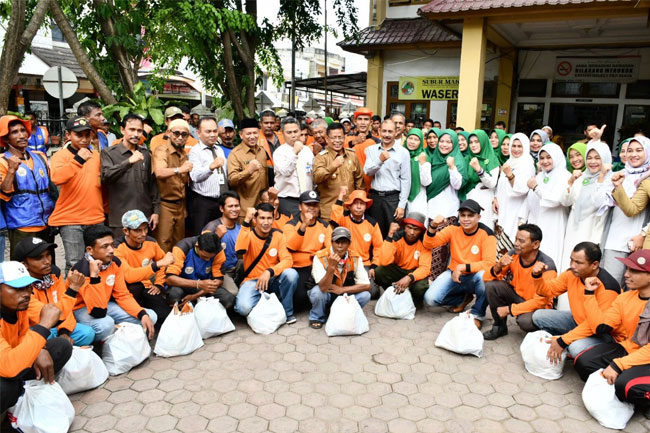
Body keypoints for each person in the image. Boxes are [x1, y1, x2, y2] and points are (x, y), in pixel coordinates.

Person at [572, 250, 650, 410]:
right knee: (583, 362)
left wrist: (618, 365)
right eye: (627, 269)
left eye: (634, 271)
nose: (626, 275)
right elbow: (600, 326)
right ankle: (623, 381)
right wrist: (589, 294)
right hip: (631, 349)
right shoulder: (625, 298)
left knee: (626, 386)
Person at [0, 261, 73, 413]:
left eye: (28, 287)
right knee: (6, 387)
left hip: (12, 362)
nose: (26, 294)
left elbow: (24, 336)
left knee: (61, 346)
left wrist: (40, 349)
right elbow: (9, 368)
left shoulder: (18, 308)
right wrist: (43, 326)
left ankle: (26, 396)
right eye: (17, 288)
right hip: (7, 368)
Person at [531, 242, 620, 358]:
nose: (573, 265)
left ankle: (569, 345)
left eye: (578, 262)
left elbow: (598, 326)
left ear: (594, 264)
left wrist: (563, 341)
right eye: (571, 260)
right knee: (538, 316)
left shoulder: (608, 288)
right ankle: (567, 341)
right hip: (578, 322)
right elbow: (548, 291)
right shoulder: (572, 274)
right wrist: (537, 276)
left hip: (602, 334)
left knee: (575, 348)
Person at [72, 225, 157, 342]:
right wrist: (94, 277)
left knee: (151, 316)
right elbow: (97, 311)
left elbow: (122, 295)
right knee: (106, 325)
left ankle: (116, 331)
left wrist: (142, 314)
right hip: (83, 309)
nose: (111, 250)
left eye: (112, 245)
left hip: (106, 304)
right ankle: (101, 339)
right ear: (90, 250)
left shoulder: (114, 263)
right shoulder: (80, 271)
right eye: (105, 246)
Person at [424, 199, 497, 329]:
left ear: (479, 217)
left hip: (475, 276)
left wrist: (463, 267)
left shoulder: (487, 234)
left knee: (485, 277)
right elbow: (430, 244)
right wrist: (433, 226)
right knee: (430, 299)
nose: (466, 219)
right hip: (454, 274)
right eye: (463, 215)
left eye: (470, 215)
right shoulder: (453, 229)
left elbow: (489, 264)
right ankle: (462, 298)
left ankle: (477, 314)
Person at [49, 116, 105, 275]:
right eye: (79, 135)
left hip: (95, 217)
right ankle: (71, 291)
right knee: (75, 263)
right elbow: (57, 178)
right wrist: (78, 160)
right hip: (71, 220)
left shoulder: (96, 156)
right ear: (68, 135)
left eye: (87, 135)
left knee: (98, 262)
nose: (84, 139)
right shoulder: (60, 156)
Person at [15, 237, 95, 346]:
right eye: (39, 258)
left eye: (48, 255)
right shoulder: (21, 286)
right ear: (25, 264)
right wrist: (73, 289)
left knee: (87, 333)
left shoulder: (54, 273)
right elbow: (44, 316)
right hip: (35, 326)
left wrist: (64, 331)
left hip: (57, 323)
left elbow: (66, 307)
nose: (47, 261)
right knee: (48, 337)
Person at [482, 224, 555, 340]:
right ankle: (499, 326)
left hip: (537, 307)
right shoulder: (513, 254)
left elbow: (541, 302)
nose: (516, 243)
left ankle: (541, 335)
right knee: (492, 286)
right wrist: (499, 265)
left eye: (521, 241)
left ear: (536, 244)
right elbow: (486, 278)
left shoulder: (547, 266)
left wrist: (509, 310)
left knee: (525, 321)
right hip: (518, 296)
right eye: (516, 239)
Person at [234, 204, 298, 323]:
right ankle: (267, 306)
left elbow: (287, 260)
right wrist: (246, 221)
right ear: (255, 219)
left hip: (273, 279)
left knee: (291, 274)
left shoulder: (278, 235)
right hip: (253, 281)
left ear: (273, 219)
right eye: (262, 218)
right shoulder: (248, 234)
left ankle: (287, 312)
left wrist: (269, 271)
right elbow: (239, 250)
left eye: (269, 218)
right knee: (243, 308)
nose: (266, 222)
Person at [0, 115, 54, 256]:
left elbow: (50, 188)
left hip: (46, 224)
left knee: (47, 265)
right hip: (21, 226)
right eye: (15, 132)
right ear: (6, 139)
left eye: (23, 130)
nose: (22, 135)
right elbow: (4, 194)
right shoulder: (2, 162)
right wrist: (11, 170)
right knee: (23, 266)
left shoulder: (40, 156)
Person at [101, 113, 160, 237]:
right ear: (122, 130)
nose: (136, 134)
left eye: (139, 131)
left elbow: (152, 185)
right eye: (132, 130)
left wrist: (156, 211)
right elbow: (106, 176)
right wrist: (128, 162)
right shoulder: (109, 153)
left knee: (146, 248)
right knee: (120, 248)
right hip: (121, 218)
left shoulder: (145, 154)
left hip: (144, 216)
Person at [113, 210, 175, 328]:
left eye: (145, 229)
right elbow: (129, 276)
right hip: (125, 291)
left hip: (147, 287)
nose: (143, 233)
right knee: (136, 287)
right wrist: (155, 265)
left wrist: (159, 284)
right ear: (126, 231)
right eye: (138, 230)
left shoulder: (150, 242)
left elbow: (165, 263)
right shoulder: (117, 248)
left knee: (166, 317)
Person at [602, 136, 650, 284]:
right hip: (615, 239)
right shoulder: (620, 174)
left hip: (639, 243)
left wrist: (643, 234)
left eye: (639, 150)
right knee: (610, 285)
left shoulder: (647, 179)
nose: (633, 154)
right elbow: (630, 209)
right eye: (630, 150)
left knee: (636, 289)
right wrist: (616, 185)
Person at [560, 141, 612, 272]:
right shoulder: (582, 178)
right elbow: (566, 202)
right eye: (589, 158)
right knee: (569, 264)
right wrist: (570, 183)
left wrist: (601, 178)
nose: (592, 162)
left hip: (592, 230)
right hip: (573, 228)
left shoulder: (610, 180)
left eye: (597, 158)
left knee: (585, 267)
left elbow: (599, 203)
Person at [308, 227, 371, 329]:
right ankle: (317, 317)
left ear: (349, 243)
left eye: (344, 242)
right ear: (331, 242)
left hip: (343, 294)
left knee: (365, 295)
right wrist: (331, 268)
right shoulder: (320, 257)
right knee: (317, 293)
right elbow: (323, 287)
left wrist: (342, 290)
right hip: (327, 293)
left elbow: (366, 285)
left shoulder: (355, 257)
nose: (340, 246)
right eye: (337, 242)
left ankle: (344, 314)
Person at [425, 129, 468, 280]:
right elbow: (426, 182)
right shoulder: (433, 159)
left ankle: (435, 282)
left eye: (449, 142)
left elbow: (458, 185)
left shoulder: (458, 161)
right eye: (442, 141)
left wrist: (452, 167)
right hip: (431, 210)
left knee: (440, 251)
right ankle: (425, 281)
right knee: (428, 248)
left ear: (454, 144)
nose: (444, 144)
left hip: (448, 213)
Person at [521, 142, 571, 269]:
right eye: (542, 158)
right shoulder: (539, 176)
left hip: (554, 224)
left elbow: (558, 200)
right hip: (537, 224)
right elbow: (530, 200)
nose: (545, 161)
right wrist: (523, 219)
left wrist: (536, 188)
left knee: (550, 256)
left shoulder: (565, 176)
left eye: (549, 157)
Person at [283, 191, 332, 311]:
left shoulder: (324, 225)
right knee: (300, 299)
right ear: (300, 207)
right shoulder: (290, 225)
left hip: (317, 265)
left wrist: (317, 255)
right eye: (308, 204)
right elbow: (291, 246)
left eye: (315, 205)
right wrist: (304, 226)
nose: (312, 208)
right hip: (298, 267)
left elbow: (330, 248)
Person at [152, 119, 194, 252]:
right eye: (176, 133)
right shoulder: (161, 150)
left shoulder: (183, 153)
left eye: (184, 134)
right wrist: (179, 169)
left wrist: (184, 207)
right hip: (165, 204)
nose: (180, 137)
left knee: (179, 243)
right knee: (163, 243)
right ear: (169, 133)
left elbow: (182, 183)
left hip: (180, 205)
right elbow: (159, 172)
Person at [364, 119, 411, 238]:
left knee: (394, 235)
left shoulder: (403, 152)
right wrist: (379, 161)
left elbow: (406, 180)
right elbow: (368, 171)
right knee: (376, 235)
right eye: (384, 131)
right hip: (375, 198)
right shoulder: (371, 150)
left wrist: (402, 205)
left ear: (396, 132)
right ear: (379, 131)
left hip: (393, 199)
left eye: (390, 131)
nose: (387, 134)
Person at [373, 212, 431, 305]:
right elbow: (384, 261)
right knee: (379, 272)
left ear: (421, 231)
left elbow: (425, 268)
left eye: (416, 229)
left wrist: (409, 277)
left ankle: (415, 301)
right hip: (398, 271)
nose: (412, 232)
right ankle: (394, 292)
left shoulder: (424, 242)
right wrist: (390, 235)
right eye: (409, 228)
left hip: (414, 273)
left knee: (420, 287)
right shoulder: (396, 238)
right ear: (404, 227)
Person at [165, 232, 235, 309]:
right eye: (204, 256)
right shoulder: (182, 247)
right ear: (197, 246)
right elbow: (169, 279)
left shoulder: (218, 251)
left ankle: (198, 307)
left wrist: (195, 296)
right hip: (183, 284)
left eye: (210, 257)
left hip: (206, 288)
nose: (207, 260)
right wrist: (199, 283)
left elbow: (219, 281)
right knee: (174, 295)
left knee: (229, 299)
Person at [313, 122, 365, 219]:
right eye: (334, 138)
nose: (337, 140)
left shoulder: (352, 155)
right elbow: (317, 178)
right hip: (329, 212)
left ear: (344, 138)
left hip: (350, 211)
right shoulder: (321, 157)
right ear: (327, 139)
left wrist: (359, 204)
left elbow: (359, 181)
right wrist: (333, 166)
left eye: (340, 137)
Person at [329, 188, 383, 279]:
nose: (359, 207)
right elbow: (334, 219)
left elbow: (379, 247)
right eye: (355, 203)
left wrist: (374, 266)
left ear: (366, 206)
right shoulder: (343, 218)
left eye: (362, 204)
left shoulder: (372, 223)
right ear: (349, 206)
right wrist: (340, 196)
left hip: (363, 263)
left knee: (370, 287)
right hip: (343, 262)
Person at [188, 117, 228, 234]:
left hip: (221, 200)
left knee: (220, 234)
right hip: (203, 202)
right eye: (208, 131)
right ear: (198, 133)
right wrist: (211, 167)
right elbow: (195, 176)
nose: (212, 135)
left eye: (215, 131)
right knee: (202, 235)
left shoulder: (219, 150)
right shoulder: (195, 151)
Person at [493, 133, 536, 240]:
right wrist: (495, 198)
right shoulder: (509, 162)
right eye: (514, 146)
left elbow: (522, 190)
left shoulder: (527, 165)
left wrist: (510, 175)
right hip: (503, 207)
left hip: (516, 210)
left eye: (520, 146)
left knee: (510, 241)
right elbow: (501, 185)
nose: (516, 149)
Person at [272, 117, 314, 217]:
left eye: (295, 131)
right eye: (289, 132)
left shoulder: (307, 151)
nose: (293, 135)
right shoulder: (279, 152)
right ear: (282, 133)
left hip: (307, 199)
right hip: (288, 199)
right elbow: (285, 171)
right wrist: (294, 152)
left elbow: (311, 173)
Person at [202, 191, 241, 294]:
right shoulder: (212, 227)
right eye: (230, 206)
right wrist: (217, 237)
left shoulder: (239, 228)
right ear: (221, 209)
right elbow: (203, 252)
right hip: (220, 271)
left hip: (235, 268)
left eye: (236, 206)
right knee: (233, 293)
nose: (234, 209)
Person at [227, 118, 269, 216]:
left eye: (255, 133)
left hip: (262, 207)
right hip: (245, 209)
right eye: (249, 134)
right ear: (241, 135)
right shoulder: (235, 154)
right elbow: (232, 181)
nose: (252, 136)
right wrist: (249, 171)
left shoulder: (262, 151)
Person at [461, 129, 500, 229]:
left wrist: (479, 170)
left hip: (485, 202)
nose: (473, 145)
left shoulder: (492, 159)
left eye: (477, 141)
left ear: (483, 142)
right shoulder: (466, 159)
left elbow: (492, 183)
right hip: (469, 199)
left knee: (483, 231)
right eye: (471, 142)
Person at [403, 128, 431, 216]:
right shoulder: (401, 154)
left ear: (421, 142)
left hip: (417, 197)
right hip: (400, 197)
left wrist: (423, 164)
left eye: (416, 140)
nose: (412, 142)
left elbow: (426, 182)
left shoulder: (423, 156)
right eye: (410, 138)